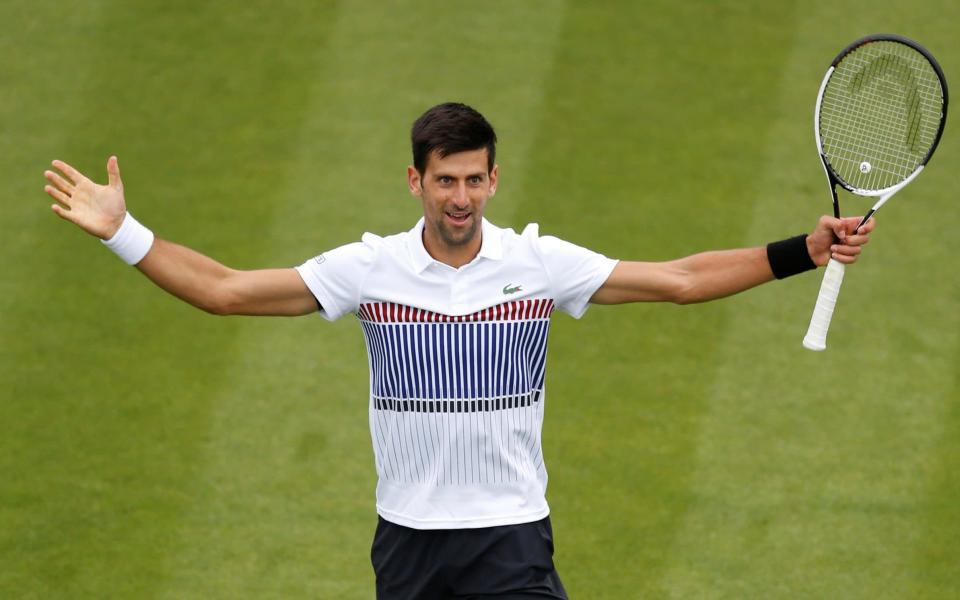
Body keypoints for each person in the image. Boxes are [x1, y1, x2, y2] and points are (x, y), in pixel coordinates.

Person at [43, 102, 874, 599]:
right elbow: (224, 290)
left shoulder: (538, 265)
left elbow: (681, 279)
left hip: (510, 539)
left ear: (495, 181)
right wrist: (125, 233)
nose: (462, 198)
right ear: (416, 182)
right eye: (447, 181)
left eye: (476, 180)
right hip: (408, 543)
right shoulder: (368, 270)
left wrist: (801, 249)